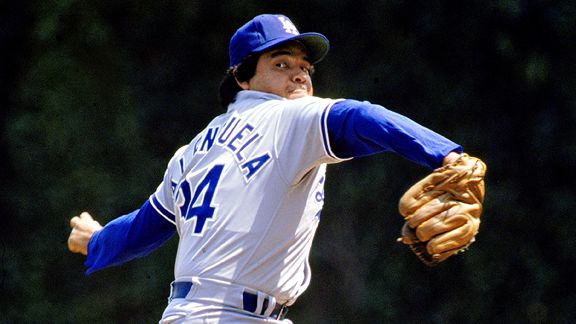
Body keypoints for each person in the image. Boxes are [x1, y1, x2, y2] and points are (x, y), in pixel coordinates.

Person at [68, 14, 466, 323]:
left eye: (305, 67)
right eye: (281, 63)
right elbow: (359, 117)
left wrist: (97, 240)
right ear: (242, 77)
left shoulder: (190, 152)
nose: (299, 73)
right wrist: (446, 156)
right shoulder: (289, 118)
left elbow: (143, 229)